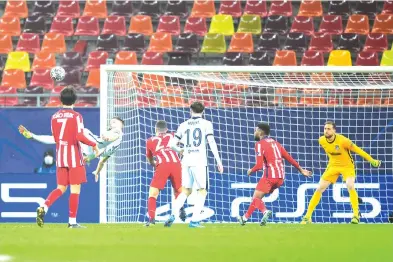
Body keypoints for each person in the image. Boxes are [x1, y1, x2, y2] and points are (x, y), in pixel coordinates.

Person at [36, 87, 99, 228]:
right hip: (74, 157)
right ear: (75, 100)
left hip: (60, 157)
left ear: (60, 100)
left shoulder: (54, 117)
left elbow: (55, 137)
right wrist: (93, 144)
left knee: (60, 188)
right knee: (75, 190)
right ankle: (72, 222)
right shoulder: (77, 116)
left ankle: (44, 207)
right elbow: (79, 136)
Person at [301, 121, 381, 224]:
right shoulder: (321, 140)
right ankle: (308, 216)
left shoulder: (343, 141)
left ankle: (356, 215)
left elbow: (358, 150)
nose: (326, 131)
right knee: (319, 188)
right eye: (325, 129)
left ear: (334, 130)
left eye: (329, 129)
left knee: (350, 185)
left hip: (347, 166)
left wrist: (372, 160)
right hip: (333, 166)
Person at [238, 122, 312, 226]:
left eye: (255, 130)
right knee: (257, 198)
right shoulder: (276, 143)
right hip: (280, 178)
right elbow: (289, 158)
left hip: (269, 176)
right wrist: (301, 170)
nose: (254, 132)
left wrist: (251, 170)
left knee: (255, 199)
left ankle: (265, 211)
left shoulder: (259, 144)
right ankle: (244, 218)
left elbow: (259, 165)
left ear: (260, 132)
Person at [165, 102, 223, 228]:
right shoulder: (206, 124)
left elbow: (171, 144)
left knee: (186, 190)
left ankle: (174, 213)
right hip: (200, 161)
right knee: (202, 190)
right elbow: (211, 142)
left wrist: (180, 150)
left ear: (190, 110)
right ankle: (195, 221)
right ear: (203, 111)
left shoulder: (183, 124)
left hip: (186, 161)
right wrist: (218, 161)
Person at [19, 116, 124, 182]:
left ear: (120, 124)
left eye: (114, 122)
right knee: (60, 139)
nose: (112, 123)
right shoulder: (114, 147)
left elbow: (114, 135)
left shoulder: (117, 131)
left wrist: (108, 137)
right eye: (111, 122)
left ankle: (33, 136)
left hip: (88, 142)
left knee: (60, 139)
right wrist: (97, 171)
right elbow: (102, 161)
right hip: (89, 146)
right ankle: (33, 136)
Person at [145, 120, 185, 226]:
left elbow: (149, 159)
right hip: (176, 164)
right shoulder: (173, 135)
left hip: (162, 165)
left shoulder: (150, 141)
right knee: (178, 190)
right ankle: (181, 208)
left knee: (153, 193)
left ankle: (151, 220)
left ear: (156, 130)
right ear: (166, 130)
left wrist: (153, 164)